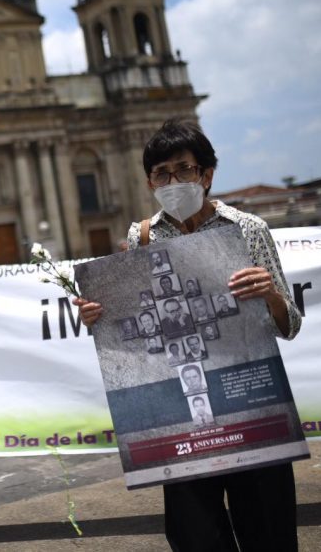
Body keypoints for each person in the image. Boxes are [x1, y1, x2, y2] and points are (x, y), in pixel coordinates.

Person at [73, 119, 303, 552]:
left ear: (207, 174)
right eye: (162, 174)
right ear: (149, 183)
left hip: (249, 402)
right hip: (180, 413)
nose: (173, 181)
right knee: (196, 534)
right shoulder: (140, 236)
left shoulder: (247, 229)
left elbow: (289, 324)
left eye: (184, 169)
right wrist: (99, 317)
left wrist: (269, 293)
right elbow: (138, 330)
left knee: (268, 528)